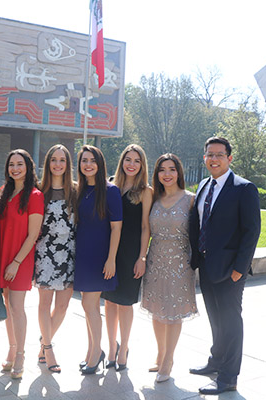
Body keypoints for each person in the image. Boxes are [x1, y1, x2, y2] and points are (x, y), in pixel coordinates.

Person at [189, 137, 261, 395]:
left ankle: (228, 377)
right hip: (206, 266)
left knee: (230, 322)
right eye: (209, 154)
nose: (214, 159)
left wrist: (240, 269)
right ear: (204, 157)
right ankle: (216, 362)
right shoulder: (203, 185)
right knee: (216, 319)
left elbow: (251, 231)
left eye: (219, 154)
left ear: (230, 158)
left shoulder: (244, 188)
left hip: (231, 270)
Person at [141, 153, 198, 383]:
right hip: (156, 259)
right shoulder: (152, 198)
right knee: (157, 309)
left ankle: (169, 360)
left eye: (172, 169)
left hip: (180, 261)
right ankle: (160, 353)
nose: (167, 174)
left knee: (173, 312)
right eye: (162, 169)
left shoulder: (191, 199)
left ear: (179, 172)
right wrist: (142, 257)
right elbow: (145, 229)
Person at [101, 144, 151, 371]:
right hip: (110, 251)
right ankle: (111, 347)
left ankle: (124, 348)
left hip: (131, 252)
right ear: (122, 161)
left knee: (125, 303)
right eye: (128, 159)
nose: (131, 164)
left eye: (136, 160)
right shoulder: (111, 185)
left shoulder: (146, 191)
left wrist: (142, 257)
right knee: (109, 301)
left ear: (142, 165)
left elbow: (145, 227)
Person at [73, 145, 122, 375]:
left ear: (100, 164)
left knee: (91, 306)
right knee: (86, 304)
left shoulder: (110, 191)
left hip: (100, 255)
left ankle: (96, 353)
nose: (88, 164)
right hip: (82, 254)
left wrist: (111, 259)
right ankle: (92, 350)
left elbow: (116, 228)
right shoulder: (81, 190)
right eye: (84, 161)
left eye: (92, 160)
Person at [0, 149, 44, 379]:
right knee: (7, 306)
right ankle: (11, 348)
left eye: (20, 164)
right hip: (2, 254)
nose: (15, 168)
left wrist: (15, 262)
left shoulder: (35, 195)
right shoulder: (3, 192)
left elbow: (33, 234)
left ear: (28, 167)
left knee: (17, 307)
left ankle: (21, 354)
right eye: (11, 164)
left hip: (20, 259)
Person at [34, 144, 77, 374]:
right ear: (48, 163)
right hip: (45, 253)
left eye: (62, 160)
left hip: (69, 252)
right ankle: (48, 348)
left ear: (68, 164)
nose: (58, 164)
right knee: (45, 303)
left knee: (62, 306)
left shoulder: (76, 191)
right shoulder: (40, 191)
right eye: (54, 160)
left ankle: (43, 342)